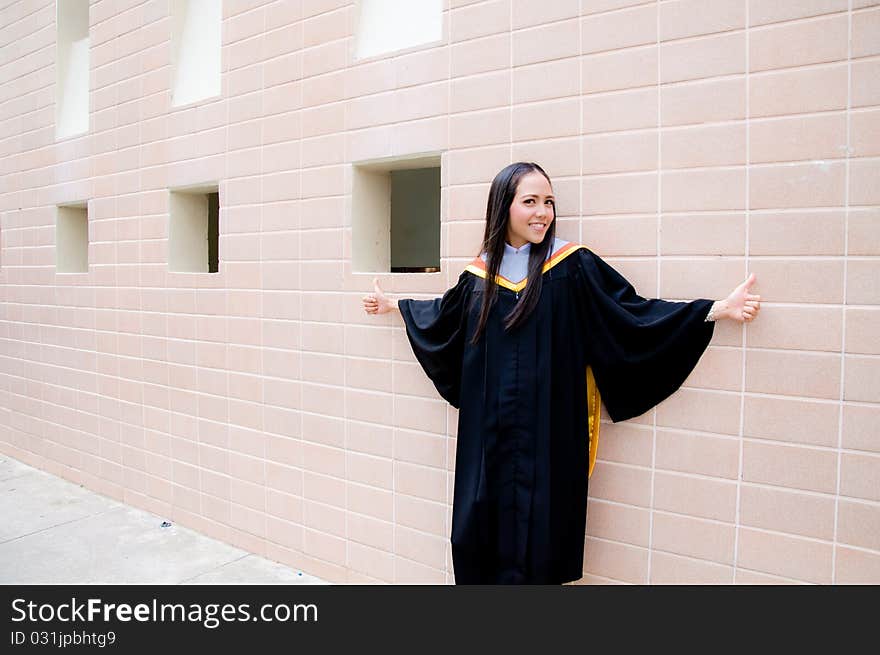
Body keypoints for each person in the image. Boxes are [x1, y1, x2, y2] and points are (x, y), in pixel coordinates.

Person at [361, 162, 761, 584]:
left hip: (549, 429)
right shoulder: (478, 274)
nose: (543, 212)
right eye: (530, 201)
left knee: (544, 532)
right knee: (481, 527)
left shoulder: (572, 266)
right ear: (504, 207)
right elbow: (443, 317)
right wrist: (395, 306)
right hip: (488, 434)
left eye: (548, 202)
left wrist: (715, 310)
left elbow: (630, 314)